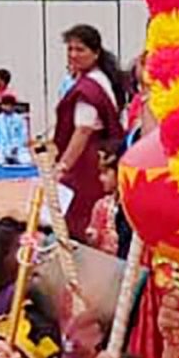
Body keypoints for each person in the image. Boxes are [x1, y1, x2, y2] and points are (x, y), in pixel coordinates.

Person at [54, 26, 122, 241]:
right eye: (70, 49)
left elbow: (83, 130)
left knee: (81, 222)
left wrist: (63, 166)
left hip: (87, 163)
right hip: (100, 155)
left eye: (80, 49)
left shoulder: (88, 88)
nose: (73, 54)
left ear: (95, 53)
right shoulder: (99, 79)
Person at [88, 149, 121, 253]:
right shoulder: (101, 205)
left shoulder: (133, 210)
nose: (101, 178)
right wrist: (92, 236)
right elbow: (94, 239)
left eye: (105, 173)